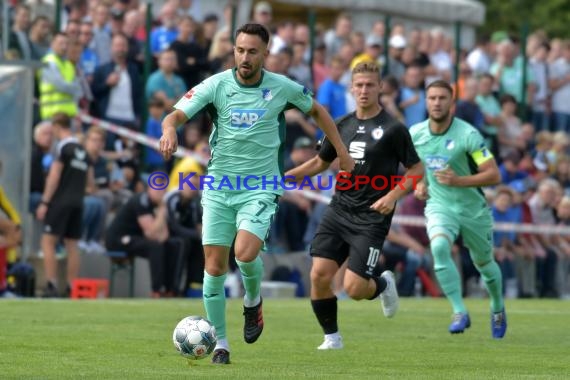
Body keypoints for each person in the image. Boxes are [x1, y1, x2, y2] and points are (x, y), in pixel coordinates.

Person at [159, 23, 355, 364]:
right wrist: (168, 129)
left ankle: (253, 302)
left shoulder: (282, 87)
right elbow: (176, 114)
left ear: (265, 54)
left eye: (252, 51)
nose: (245, 57)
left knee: (245, 253)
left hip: (261, 186)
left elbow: (318, 111)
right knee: (214, 266)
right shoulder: (217, 85)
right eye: (240, 50)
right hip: (220, 186)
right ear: (233, 50)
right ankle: (221, 343)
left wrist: (340, 150)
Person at [285, 62, 424, 350]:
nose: (364, 90)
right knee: (319, 275)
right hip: (339, 210)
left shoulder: (394, 129)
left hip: (372, 217)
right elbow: (319, 163)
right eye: (359, 85)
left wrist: (392, 196)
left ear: (380, 87)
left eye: (370, 85)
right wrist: (283, 178)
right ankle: (332, 338)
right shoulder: (340, 125)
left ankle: (382, 285)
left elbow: (416, 170)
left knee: (355, 288)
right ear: (351, 87)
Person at [409, 80, 507, 338]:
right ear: (426, 101)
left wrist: (459, 181)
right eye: (432, 98)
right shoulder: (416, 134)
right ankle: (459, 311)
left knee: (485, 265)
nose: (437, 103)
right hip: (440, 206)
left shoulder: (468, 135)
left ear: (452, 103)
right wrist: (420, 185)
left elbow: (493, 174)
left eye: (442, 98)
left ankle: (497, 307)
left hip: (472, 208)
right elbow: (416, 170)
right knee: (439, 247)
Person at [35, 113, 93, 297]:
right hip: (78, 201)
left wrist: (45, 202)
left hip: (61, 200)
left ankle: (51, 285)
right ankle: (71, 287)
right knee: (72, 245)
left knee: (48, 241)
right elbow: (90, 183)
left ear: (58, 127)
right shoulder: (83, 151)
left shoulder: (61, 148)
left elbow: (54, 176)